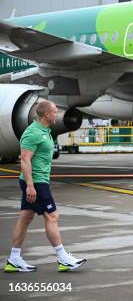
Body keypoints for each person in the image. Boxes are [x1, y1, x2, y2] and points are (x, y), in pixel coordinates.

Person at [4, 100, 86, 273]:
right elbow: (25, 160)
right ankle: (63, 258)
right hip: (35, 182)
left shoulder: (45, 130)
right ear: (46, 114)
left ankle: (14, 259)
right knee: (52, 216)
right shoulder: (33, 133)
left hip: (38, 181)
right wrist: (30, 186)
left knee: (26, 217)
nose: (57, 114)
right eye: (55, 111)